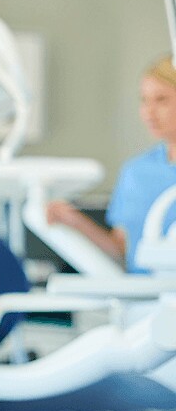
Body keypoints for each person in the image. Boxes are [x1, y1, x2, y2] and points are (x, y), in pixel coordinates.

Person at [46, 55, 176, 274]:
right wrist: (75, 221)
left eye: (162, 99)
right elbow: (122, 250)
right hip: (143, 300)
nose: (148, 113)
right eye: (144, 100)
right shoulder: (135, 172)